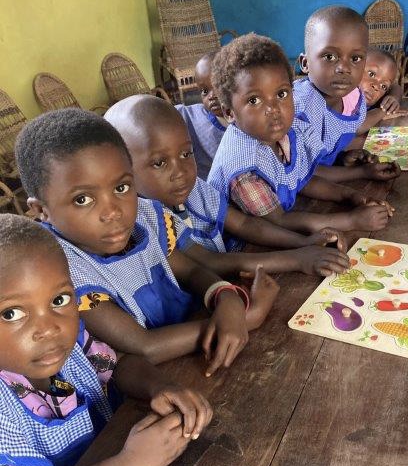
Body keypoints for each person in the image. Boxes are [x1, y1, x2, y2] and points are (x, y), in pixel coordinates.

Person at [15, 109, 277, 377]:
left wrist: (225, 296)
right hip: (158, 382)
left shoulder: (145, 215)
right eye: (83, 199)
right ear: (41, 211)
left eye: (121, 188)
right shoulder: (59, 269)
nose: (113, 212)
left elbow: (192, 271)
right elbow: (144, 346)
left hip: (199, 346)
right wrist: (248, 316)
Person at [0, 214, 212, 466]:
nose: (49, 329)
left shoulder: (72, 347)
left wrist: (158, 385)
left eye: (59, 300)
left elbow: (119, 364)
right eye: (11, 313)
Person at [104, 94, 351, 278]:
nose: (180, 172)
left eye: (186, 154)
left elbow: (244, 223)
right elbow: (209, 262)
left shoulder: (195, 190)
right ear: (121, 171)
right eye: (159, 163)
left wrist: (302, 242)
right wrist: (297, 259)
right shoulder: (142, 218)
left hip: (231, 283)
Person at [207, 33, 395, 234]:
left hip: (282, 230)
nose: (274, 109)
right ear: (229, 112)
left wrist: (353, 196)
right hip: (243, 249)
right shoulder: (244, 170)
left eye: (281, 94)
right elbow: (277, 221)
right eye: (254, 100)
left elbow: (301, 180)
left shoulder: (285, 133)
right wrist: (350, 221)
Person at [294, 5, 401, 182]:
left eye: (355, 59)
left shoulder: (354, 98)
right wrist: (362, 173)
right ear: (305, 63)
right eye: (329, 57)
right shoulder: (300, 107)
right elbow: (300, 174)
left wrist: (341, 159)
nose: (344, 68)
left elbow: (320, 154)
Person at [175, 51, 227, 179]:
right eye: (204, 91)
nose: (211, 96)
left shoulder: (250, 123)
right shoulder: (193, 117)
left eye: (217, 86)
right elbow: (164, 113)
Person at [357, 49, 408, 134]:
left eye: (383, 86)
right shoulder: (339, 97)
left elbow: (396, 87)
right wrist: (383, 111)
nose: (376, 86)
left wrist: (393, 99)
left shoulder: (364, 101)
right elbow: (355, 127)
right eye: (371, 74)